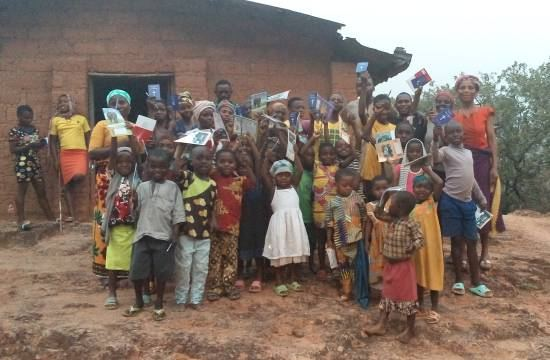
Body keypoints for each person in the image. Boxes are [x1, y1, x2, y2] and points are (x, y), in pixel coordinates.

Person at [123, 148, 185, 321]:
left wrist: (175, 234)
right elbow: (134, 214)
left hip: (163, 238)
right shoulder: (141, 188)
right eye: (153, 167)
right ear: (148, 167)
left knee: (161, 273)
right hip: (142, 235)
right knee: (137, 271)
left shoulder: (173, 188)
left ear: (168, 168)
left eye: (162, 167)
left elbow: (178, 213)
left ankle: (159, 303)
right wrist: (133, 203)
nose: (157, 171)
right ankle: (138, 301)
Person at [432, 121, 492, 298]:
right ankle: (458, 281)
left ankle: (476, 282)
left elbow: (471, 179)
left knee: (472, 242)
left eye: (458, 131)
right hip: (450, 201)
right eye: (451, 133)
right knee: (457, 242)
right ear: (446, 136)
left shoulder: (468, 153)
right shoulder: (445, 151)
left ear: (463, 133)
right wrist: (435, 141)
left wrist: (480, 198)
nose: (456, 135)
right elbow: (435, 159)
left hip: (468, 204)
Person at [454, 75, 505, 270]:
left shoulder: (485, 111)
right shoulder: (453, 115)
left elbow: (492, 138)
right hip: (461, 162)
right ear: (457, 91)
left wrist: (494, 166)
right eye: (462, 87)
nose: (466, 90)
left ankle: (485, 251)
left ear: (476, 91)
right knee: (464, 204)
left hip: (482, 162)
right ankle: (468, 252)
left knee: (483, 204)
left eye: (470, 87)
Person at [364, 191, 424, 344]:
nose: (388, 207)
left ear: (401, 208)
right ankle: (381, 324)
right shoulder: (392, 219)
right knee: (387, 295)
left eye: (392, 204)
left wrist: (413, 247)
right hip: (390, 265)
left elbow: (420, 238)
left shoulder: (410, 223)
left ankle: (410, 330)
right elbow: (377, 213)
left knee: (408, 299)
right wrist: (384, 198)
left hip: (403, 267)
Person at [89, 89, 135, 277]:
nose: (117, 105)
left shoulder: (133, 126)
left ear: (129, 107)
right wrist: (116, 147)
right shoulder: (102, 125)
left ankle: (127, 265)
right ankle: (105, 267)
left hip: (130, 176)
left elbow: (142, 151)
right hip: (106, 178)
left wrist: (129, 133)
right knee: (106, 217)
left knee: (127, 217)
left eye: (122, 102)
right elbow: (92, 153)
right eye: (113, 102)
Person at [207, 149, 255, 301]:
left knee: (230, 259)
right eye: (222, 161)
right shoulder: (213, 177)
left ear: (235, 164)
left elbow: (253, 182)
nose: (226, 164)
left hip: (233, 227)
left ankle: (228, 286)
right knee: (214, 259)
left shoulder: (240, 180)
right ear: (216, 163)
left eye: (230, 162)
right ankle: (215, 287)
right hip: (215, 227)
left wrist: (245, 163)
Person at [174, 146, 216, 310]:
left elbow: (212, 206)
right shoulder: (188, 177)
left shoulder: (213, 184)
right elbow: (174, 170)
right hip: (186, 232)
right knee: (183, 268)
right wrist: (181, 151)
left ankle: (196, 299)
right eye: (199, 158)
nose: (204, 161)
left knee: (201, 268)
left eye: (207, 158)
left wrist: (213, 220)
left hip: (204, 234)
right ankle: (180, 299)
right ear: (192, 161)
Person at [102, 136, 141, 310]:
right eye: (120, 162)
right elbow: (111, 156)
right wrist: (115, 136)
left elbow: (138, 158)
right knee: (112, 264)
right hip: (116, 228)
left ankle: (141, 294)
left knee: (137, 262)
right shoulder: (113, 178)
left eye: (128, 162)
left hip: (133, 228)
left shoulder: (137, 179)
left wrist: (132, 136)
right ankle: (112, 294)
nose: (124, 165)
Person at [262, 158, 310, 297]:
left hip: (295, 225)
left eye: (287, 174)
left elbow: (300, 170)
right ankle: (279, 281)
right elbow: (263, 174)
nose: (284, 177)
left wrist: (295, 154)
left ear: (291, 176)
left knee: (294, 251)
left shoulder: (294, 187)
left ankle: (293, 279)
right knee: (280, 251)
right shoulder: (273, 190)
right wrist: (266, 156)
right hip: (279, 227)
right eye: (280, 175)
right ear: (274, 177)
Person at [9, 105, 55, 230]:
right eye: (26, 117)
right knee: (22, 192)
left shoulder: (34, 129)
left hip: (34, 163)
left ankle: (51, 218)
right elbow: (13, 149)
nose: (29, 119)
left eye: (30, 117)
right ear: (19, 117)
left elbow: (35, 147)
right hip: (23, 164)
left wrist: (42, 143)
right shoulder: (15, 131)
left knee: (41, 191)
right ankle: (21, 221)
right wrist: (29, 146)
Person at [325, 168, 367, 301]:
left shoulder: (358, 198)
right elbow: (329, 223)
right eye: (344, 185)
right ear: (335, 184)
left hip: (357, 239)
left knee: (357, 266)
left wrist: (365, 236)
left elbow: (365, 218)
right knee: (344, 267)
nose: (348, 188)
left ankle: (358, 290)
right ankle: (346, 291)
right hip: (341, 241)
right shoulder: (332, 202)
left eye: (351, 185)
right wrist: (329, 240)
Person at [49, 94, 91, 222]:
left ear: (71, 103)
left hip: (80, 153)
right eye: (60, 102)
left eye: (65, 101)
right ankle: (73, 216)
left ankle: (73, 210)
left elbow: (88, 138)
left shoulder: (81, 119)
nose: (62, 104)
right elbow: (52, 142)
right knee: (67, 185)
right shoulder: (55, 120)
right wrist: (55, 160)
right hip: (65, 154)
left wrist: (91, 154)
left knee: (79, 176)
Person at [302, 136, 338, 280]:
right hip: (319, 213)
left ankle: (335, 266)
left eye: (330, 153)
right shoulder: (316, 166)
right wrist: (313, 140)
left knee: (335, 241)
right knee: (321, 242)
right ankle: (322, 266)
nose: (327, 156)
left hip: (335, 212)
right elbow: (303, 153)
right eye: (324, 153)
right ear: (319, 155)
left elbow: (354, 154)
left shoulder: (338, 167)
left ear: (334, 155)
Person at [411, 170, 444, 325]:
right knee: (418, 275)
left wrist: (427, 169)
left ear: (431, 191)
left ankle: (435, 307)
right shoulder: (409, 205)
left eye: (425, 187)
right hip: (417, 249)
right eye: (418, 186)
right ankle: (420, 305)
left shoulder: (431, 202)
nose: (421, 190)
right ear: (413, 187)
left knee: (433, 274)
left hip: (432, 247)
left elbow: (439, 182)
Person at [236, 136, 268, 293]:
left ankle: (258, 275)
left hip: (257, 219)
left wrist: (251, 143)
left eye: (248, 165)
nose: (244, 167)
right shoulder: (234, 179)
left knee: (258, 249)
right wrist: (237, 149)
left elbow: (258, 158)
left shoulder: (257, 181)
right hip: (240, 220)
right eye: (241, 166)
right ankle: (240, 274)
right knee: (240, 248)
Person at [359, 91, 396, 199]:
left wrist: (377, 145)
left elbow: (391, 156)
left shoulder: (394, 128)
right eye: (380, 108)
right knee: (369, 202)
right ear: (374, 108)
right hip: (369, 173)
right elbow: (365, 135)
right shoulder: (371, 123)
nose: (383, 111)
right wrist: (375, 115)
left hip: (385, 175)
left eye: (386, 108)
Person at [365, 176, 390, 287]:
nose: (381, 191)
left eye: (384, 188)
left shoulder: (393, 204)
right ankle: (379, 290)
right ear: (372, 191)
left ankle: (390, 289)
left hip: (390, 240)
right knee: (377, 261)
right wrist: (366, 241)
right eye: (377, 189)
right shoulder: (370, 206)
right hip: (376, 241)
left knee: (389, 263)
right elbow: (369, 224)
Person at [297, 143, 316, 273]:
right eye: (307, 155)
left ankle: (310, 264)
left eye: (313, 155)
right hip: (298, 216)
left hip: (311, 215)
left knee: (311, 242)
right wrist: (312, 139)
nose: (311, 158)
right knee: (298, 242)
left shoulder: (316, 172)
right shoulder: (297, 171)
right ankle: (298, 267)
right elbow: (299, 154)